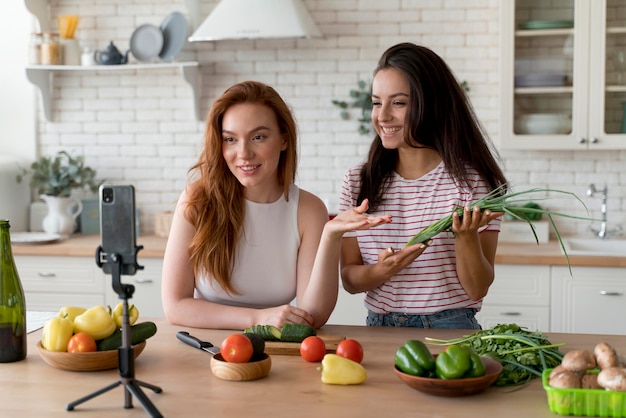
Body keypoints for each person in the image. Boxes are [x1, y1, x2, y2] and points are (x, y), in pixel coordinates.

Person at [162, 80, 390, 330]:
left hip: (275, 349)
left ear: (283, 139)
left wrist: (331, 236)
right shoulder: (197, 200)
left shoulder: (308, 210)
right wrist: (257, 319)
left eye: (258, 137)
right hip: (206, 348)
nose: (244, 153)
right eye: (230, 139)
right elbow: (175, 305)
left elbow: (312, 315)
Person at [338, 43, 508, 329]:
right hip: (378, 327)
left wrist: (465, 237)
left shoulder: (471, 183)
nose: (382, 116)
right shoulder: (357, 181)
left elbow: (477, 289)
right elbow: (350, 281)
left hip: (450, 327)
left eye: (399, 103)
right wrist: (382, 271)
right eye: (377, 102)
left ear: (432, 105)